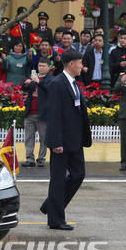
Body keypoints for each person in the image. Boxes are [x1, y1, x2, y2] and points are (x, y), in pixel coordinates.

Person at [39, 49, 91, 230]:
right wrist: (56, 142)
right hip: (61, 142)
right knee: (58, 180)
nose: (81, 66)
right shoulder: (57, 83)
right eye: (80, 63)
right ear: (71, 64)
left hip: (75, 140)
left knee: (78, 174)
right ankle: (55, 220)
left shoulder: (74, 82)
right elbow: (54, 115)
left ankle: (50, 205)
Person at [21, 58, 53, 168]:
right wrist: (26, 84)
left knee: (43, 137)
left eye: (44, 66)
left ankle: (41, 158)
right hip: (30, 112)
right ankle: (29, 158)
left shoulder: (51, 79)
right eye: (39, 66)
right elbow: (24, 89)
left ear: (49, 67)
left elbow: (49, 89)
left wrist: (38, 81)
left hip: (43, 113)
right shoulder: (34, 77)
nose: (41, 68)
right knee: (29, 137)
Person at [114, 73, 126, 171]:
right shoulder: (123, 76)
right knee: (124, 139)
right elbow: (116, 90)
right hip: (125, 113)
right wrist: (122, 82)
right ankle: (125, 162)